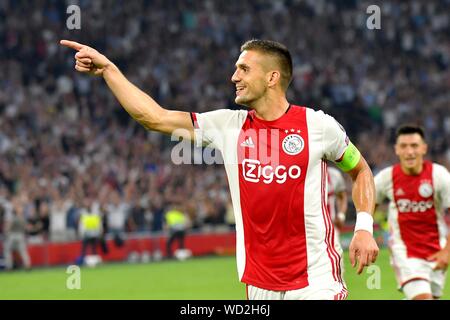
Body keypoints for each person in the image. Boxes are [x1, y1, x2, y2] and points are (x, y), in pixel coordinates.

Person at [60, 38, 379, 300]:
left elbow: (360, 170)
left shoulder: (318, 126)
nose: (234, 77)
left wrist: (364, 227)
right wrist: (110, 71)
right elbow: (154, 117)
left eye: (243, 68)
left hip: (317, 280)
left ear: (272, 78)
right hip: (259, 285)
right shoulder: (228, 126)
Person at [374, 125, 450, 300]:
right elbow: (367, 198)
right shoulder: (387, 177)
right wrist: (365, 230)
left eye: (414, 146)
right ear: (396, 150)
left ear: (424, 148)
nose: (409, 151)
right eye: (404, 146)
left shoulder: (439, 175)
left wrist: (447, 251)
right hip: (404, 252)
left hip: (436, 250)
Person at [2, 195, 31, 270]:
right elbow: (26, 226)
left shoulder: (13, 213)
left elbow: (9, 226)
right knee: (23, 251)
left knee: (7, 250)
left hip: (13, 235)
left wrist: (6, 231)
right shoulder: (20, 213)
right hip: (20, 235)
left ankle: (9, 266)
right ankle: (27, 265)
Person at [327, 166, 348, 265]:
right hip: (308, 231)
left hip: (331, 229)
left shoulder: (333, 175)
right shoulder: (302, 174)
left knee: (337, 265)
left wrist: (341, 216)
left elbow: (342, 196)